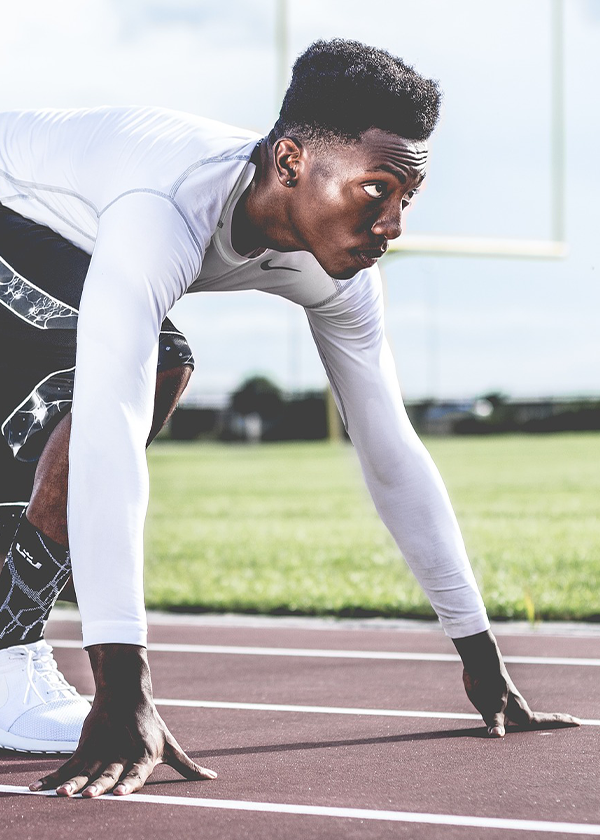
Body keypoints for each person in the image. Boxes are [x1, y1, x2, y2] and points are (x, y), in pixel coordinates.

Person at [0, 39, 577, 797]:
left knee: (121, 377)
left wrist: (483, 661)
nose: (395, 223)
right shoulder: (164, 207)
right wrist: (121, 688)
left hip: (60, 240)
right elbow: (110, 430)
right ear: (292, 161)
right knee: (146, 368)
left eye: (408, 198)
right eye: (377, 190)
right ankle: (9, 659)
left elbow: (391, 452)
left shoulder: (342, 278)